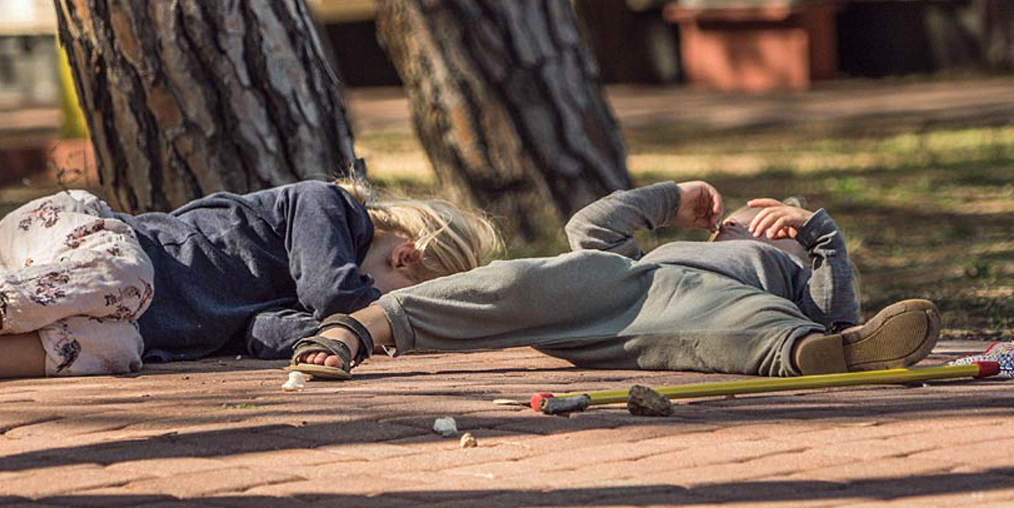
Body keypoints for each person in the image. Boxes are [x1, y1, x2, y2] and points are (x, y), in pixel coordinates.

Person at [0, 178, 500, 389]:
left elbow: (265, 332)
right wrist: (365, 322)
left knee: (118, 350)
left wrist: (319, 344)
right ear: (406, 256)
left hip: (98, 308)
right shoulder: (326, 208)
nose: (370, 312)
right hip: (69, 238)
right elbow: (334, 292)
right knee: (128, 277)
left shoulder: (294, 295)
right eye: (388, 297)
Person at [288, 180, 939, 379]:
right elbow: (588, 228)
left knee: (752, 330)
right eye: (749, 218)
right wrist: (671, 200)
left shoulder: (785, 274)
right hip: (623, 289)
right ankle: (359, 328)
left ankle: (820, 359)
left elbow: (837, 307)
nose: (760, 227)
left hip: (714, 316)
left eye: (778, 224)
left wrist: (818, 234)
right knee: (514, 282)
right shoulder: (673, 248)